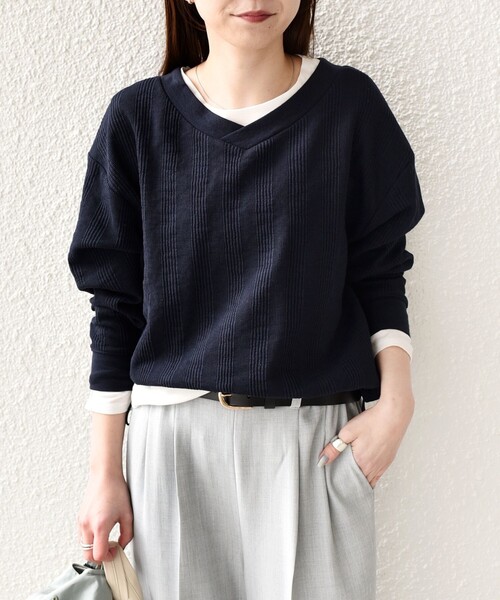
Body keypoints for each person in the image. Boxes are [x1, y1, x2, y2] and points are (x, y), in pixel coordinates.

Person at [67, 0, 425, 598]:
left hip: (316, 442)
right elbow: (115, 306)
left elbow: (380, 270)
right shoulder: (138, 119)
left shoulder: (349, 107)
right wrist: (104, 472)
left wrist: (397, 403)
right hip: (174, 449)